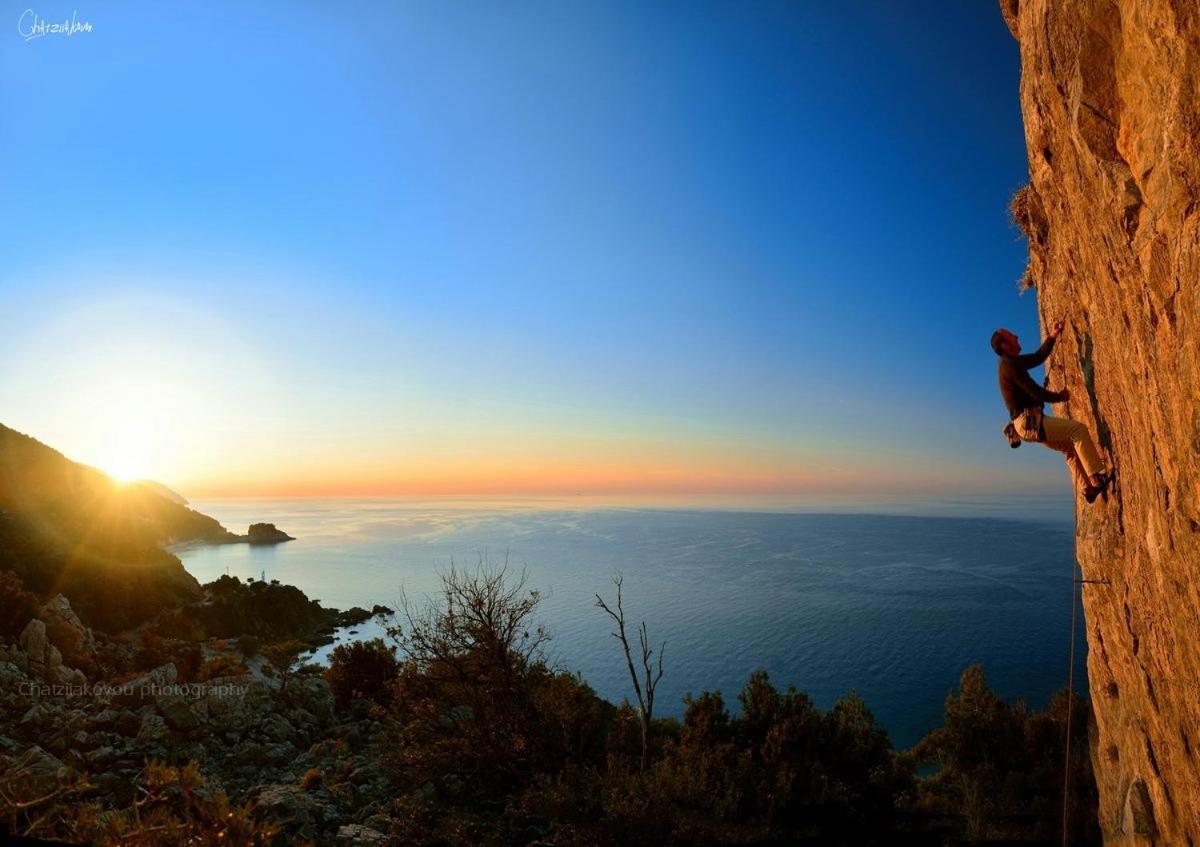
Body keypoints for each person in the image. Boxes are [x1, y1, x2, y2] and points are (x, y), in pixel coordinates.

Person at [991, 319, 1113, 503]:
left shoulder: (1011, 363)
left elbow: (1038, 357)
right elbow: (1035, 391)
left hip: (1026, 425)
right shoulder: (1010, 365)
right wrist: (1059, 397)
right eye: (1011, 336)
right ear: (1005, 346)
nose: (1016, 336)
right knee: (1077, 430)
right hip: (1029, 422)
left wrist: (1053, 335)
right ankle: (1097, 479)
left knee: (1069, 448)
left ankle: (1087, 489)